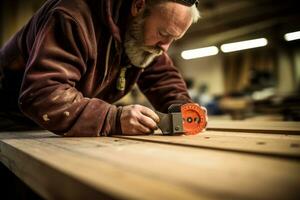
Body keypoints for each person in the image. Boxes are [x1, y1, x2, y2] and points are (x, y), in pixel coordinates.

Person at [0, 0, 202, 136]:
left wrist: (183, 107)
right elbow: (44, 95)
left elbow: (162, 77)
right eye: (163, 33)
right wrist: (112, 118)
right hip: (12, 126)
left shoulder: (143, 33)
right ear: (139, 6)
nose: (165, 47)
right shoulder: (72, 17)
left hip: (61, 128)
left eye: (174, 39)